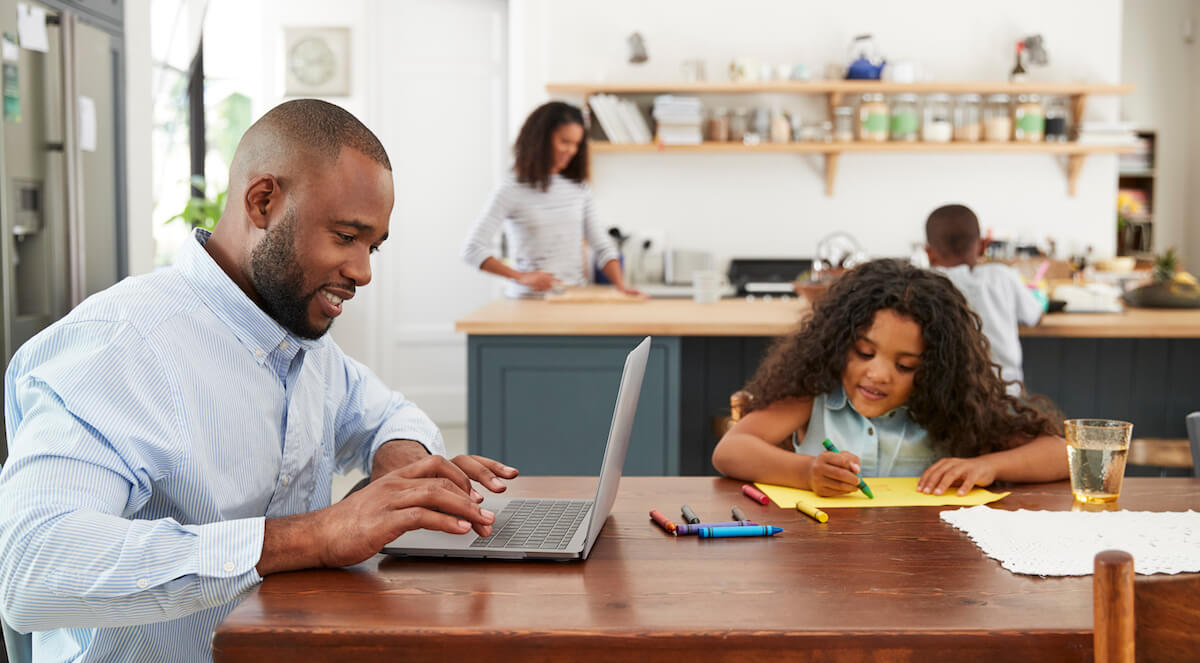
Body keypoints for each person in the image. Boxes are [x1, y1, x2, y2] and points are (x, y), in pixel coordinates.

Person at [0, 99, 518, 662]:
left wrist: (403, 460)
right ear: (263, 201)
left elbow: (388, 413)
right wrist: (316, 535)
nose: (364, 271)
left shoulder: (298, 334)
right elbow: (32, 565)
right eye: (346, 236)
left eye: (373, 247)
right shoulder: (119, 345)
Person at [711, 259, 1067, 498]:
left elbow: (1063, 453)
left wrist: (988, 465)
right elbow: (731, 451)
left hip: (923, 570)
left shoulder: (953, 406)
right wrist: (806, 473)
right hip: (820, 567)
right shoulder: (816, 394)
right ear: (838, 344)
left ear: (935, 369)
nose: (878, 374)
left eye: (906, 365)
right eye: (865, 353)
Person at [461, 101, 640, 298]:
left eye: (576, 144)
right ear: (541, 139)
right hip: (528, 302)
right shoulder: (511, 188)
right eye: (565, 141)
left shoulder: (579, 188)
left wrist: (621, 285)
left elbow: (602, 246)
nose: (571, 150)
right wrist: (520, 277)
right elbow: (472, 249)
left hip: (571, 299)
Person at [924, 204, 1044, 391]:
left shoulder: (926, 284)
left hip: (948, 397)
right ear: (983, 246)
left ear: (929, 253)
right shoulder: (1003, 276)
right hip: (1006, 393)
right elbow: (1034, 314)